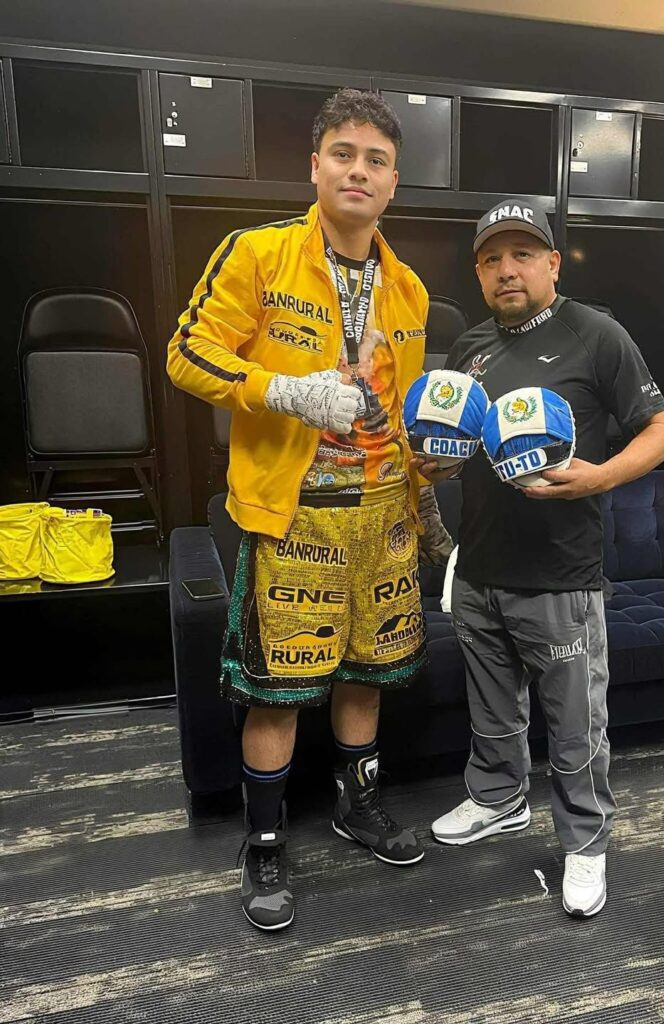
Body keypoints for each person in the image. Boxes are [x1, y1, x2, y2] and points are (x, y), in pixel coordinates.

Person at [167, 89, 452, 931]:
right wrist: (285, 392)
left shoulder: (408, 289)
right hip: (293, 514)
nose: (358, 171)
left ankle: (356, 807)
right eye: (343, 154)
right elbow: (186, 354)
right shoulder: (258, 253)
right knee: (278, 691)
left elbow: (399, 416)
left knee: (365, 677)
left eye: (375, 160)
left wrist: (428, 500)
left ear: (393, 182)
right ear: (316, 166)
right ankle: (263, 842)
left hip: (382, 514)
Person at [419, 198, 664, 917]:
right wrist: (441, 464)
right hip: (479, 567)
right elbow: (465, 444)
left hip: (560, 574)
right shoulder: (468, 347)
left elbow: (663, 431)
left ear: (552, 264)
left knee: (574, 728)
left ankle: (585, 843)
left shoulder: (595, 334)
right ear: (478, 273)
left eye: (523, 254)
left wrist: (601, 477)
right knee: (491, 708)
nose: (507, 270)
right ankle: (498, 799)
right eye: (491, 259)